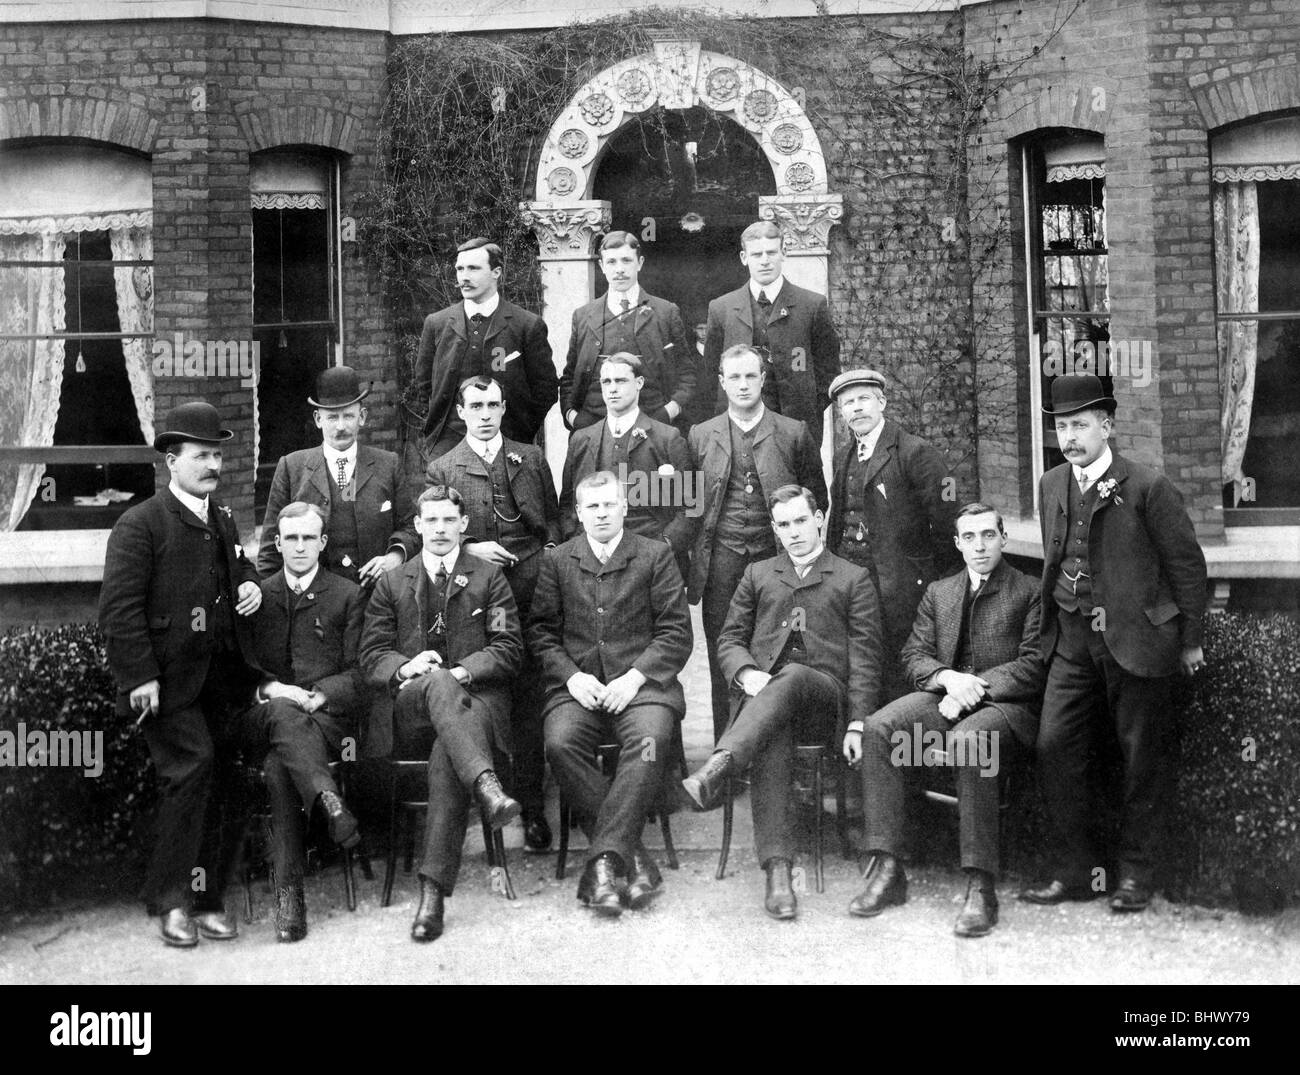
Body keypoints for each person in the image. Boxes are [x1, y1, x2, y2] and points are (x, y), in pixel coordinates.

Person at [1021, 375, 1207, 913]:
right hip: (1072, 636)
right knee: (1056, 747)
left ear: (1108, 426)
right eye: (1061, 425)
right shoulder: (1052, 483)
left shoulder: (1148, 486)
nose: (1070, 436)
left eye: (1080, 425)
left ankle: (1136, 876)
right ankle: (1074, 872)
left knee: (1140, 758)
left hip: (1136, 638)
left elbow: (1186, 567)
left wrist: (1189, 640)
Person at [99, 401, 263, 948]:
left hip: (221, 680)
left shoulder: (223, 517)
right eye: (201, 455)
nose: (213, 464)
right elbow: (119, 610)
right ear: (172, 461)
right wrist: (139, 676)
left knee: (230, 777)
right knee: (193, 768)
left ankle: (210, 898)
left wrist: (250, 583)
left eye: (217, 454)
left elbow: (240, 565)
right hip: (167, 686)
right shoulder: (139, 524)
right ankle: (171, 902)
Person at [680, 485, 881, 920]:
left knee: (789, 677)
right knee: (772, 729)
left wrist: (858, 724)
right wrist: (748, 673)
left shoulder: (852, 578)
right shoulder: (758, 574)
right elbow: (729, 638)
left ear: (820, 520)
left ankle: (722, 761)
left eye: (801, 521)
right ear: (774, 529)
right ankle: (777, 868)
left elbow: (866, 661)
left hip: (825, 700)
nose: (794, 532)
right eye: (784, 525)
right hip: (768, 704)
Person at [845, 502, 1043, 937]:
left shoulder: (1030, 590)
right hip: (944, 698)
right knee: (880, 729)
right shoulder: (941, 591)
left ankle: (980, 884)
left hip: (1004, 709)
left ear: (1004, 539)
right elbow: (913, 656)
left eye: (988, 535)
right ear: (957, 544)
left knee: (971, 741)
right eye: (969, 537)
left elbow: (1033, 665)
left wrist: (974, 689)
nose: (979, 546)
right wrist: (949, 678)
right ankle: (889, 868)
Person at [359, 484, 525, 942]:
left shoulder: (489, 578)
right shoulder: (393, 583)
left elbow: (509, 649)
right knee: (434, 681)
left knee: (446, 756)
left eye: (448, 520)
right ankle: (487, 785)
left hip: (478, 707)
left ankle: (432, 893)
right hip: (412, 710)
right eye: (429, 520)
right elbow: (371, 656)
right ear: (416, 525)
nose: (439, 528)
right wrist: (409, 666)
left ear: (464, 525)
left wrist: (462, 673)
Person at [529, 471, 693, 917]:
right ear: (579, 514)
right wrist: (570, 677)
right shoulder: (559, 560)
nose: (602, 513)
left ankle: (602, 865)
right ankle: (633, 857)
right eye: (592, 507)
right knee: (560, 743)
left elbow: (677, 632)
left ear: (624, 507)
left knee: (649, 742)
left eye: (609, 504)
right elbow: (541, 633)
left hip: (641, 688)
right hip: (577, 688)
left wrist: (635, 677)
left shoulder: (655, 555)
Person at [425, 374, 562, 851]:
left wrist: (547, 560)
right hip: (477, 599)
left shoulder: (531, 458)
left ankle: (532, 806)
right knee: (486, 693)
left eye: (493, 405)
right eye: (475, 406)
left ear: (504, 408)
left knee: (530, 698)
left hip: (532, 590)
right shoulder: (443, 467)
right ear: (460, 412)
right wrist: (470, 546)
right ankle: (487, 794)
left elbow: (555, 520)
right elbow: (432, 531)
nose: (485, 414)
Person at [686, 344, 827, 741]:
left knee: (777, 652)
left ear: (764, 379)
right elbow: (690, 504)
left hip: (775, 562)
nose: (743, 385)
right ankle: (725, 751)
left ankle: (772, 750)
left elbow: (818, 497)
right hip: (722, 562)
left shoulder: (793, 432)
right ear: (722, 382)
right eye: (734, 377)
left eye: (751, 376)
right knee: (724, 657)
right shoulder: (700, 435)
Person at [240, 501, 366, 942]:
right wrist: (274, 690)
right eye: (290, 538)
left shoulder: (347, 594)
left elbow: (361, 672)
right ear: (277, 543)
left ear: (322, 543)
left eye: (308, 538)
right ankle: (330, 801)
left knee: (279, 770)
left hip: (323, 723)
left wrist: (319, 695)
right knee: (278, 709)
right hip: (265, 717)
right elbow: (239, 673)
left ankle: (288, 898)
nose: (299, 547)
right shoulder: (258, 596)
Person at [827, 368, 960, 700]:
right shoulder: (843, 456)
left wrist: (926, 576)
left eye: (864, 400)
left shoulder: (915, 452)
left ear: (882, 402)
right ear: (841, 413)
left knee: (898, 670)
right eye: (848, 403)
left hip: (901, 589)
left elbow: (948, 523)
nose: (856, 409)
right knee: (859, 665)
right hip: (853, 583)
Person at [258, 365, 418, 588]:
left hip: (375, 598)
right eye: (332, 417)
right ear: (318, 419)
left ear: (361, 417)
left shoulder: (388, 464)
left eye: (349, 416)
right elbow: (269, 548)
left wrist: (394, 558)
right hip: (314, 603)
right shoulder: (292, 467)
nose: (341, 426)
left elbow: (412, 528)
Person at [413, 236, 557, 463]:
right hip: (448, 447)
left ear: (496, 272)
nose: (464, 277)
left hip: (510, 444)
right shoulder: (437, 323)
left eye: (473, 268)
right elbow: (423, 387)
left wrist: (520, 429)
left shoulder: (526, 325)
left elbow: (546, 389)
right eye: (460, 269)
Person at [702, 220, 840, 447]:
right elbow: (710, 374)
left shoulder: (811, 305)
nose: (765, 261)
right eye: (757, 254)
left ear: (783, 253)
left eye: (771, 252)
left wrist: (807, 408)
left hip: (796, 426)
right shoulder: (721, 308)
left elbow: (829, 371)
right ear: (744, 258)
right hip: (737, 427)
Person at [559, 352, 693, 580]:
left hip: (653, 562)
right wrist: (577, 542)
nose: (612, 389)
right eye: (606, 382)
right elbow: (567, 506)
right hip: (592, 562)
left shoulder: (668, 438)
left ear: (639, 383)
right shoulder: (581, 440)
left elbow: (692, 506)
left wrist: (665, 544)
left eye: (620, 381)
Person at [560, 230, 693, 432]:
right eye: (612, 262)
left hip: (654, 427)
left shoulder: (665, 312)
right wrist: (573, 417)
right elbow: (569, 377)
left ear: (639, 263)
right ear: (601, 266)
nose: (619, 269)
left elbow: (687, 373)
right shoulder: (583, 316)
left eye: (626, 260)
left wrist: (669, 412)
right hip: (593, 428)